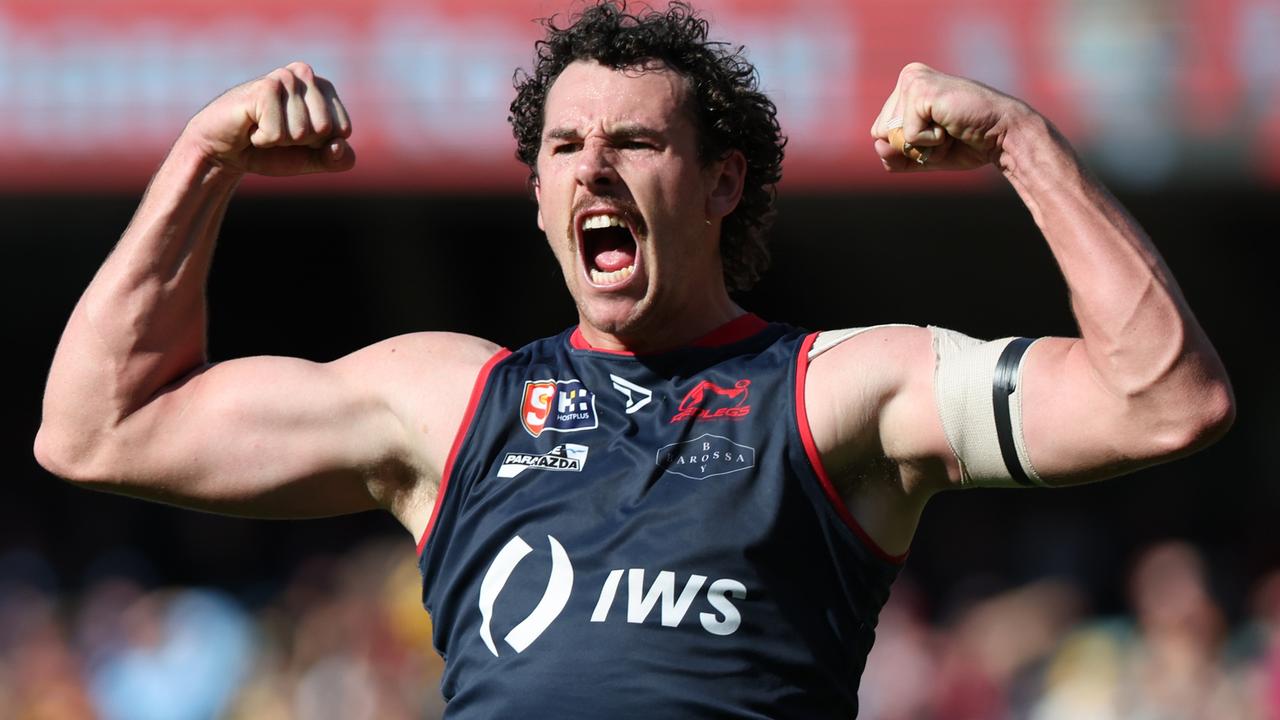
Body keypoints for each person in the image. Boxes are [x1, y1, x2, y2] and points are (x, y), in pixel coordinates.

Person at [34, 2, 1234, 717]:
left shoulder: (831, 396)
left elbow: (1160, 400)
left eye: (633, 141)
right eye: (564, 146)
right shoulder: (451, 403)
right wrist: (203, 158)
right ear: (541, 197)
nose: (593, 167)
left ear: (720, 183)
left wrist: (1023, 144)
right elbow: (98, 429)